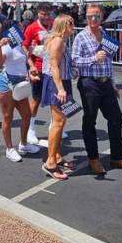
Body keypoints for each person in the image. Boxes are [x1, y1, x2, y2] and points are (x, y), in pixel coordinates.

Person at [72, 3, 122, 175]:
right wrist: (93, 58)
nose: (92, 20)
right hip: (89, 82)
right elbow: (74, 60)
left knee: (116, 118)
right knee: (90, 120)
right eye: (89, 17)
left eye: (96, 16)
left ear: (101, 17)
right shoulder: (80, 37)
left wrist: (112, 83)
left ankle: (117, 157)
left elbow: (109, 63)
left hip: (105, 83)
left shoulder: (105, 35)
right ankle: (93, 158)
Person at [41, 14, 76, 180]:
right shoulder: (58, 41)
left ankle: (57, 156)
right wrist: (61, 88)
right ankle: (50, 163)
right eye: (71, 24)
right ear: (63, 25)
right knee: (58, 122)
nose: (73, 26)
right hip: (57, 84)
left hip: (61, 82)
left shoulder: (59, 40)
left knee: (61, 121)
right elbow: (54, 66)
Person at [0, 35, 39, 162]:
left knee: (26, 114)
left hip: (20, 83)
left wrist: (31, 57)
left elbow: (26, 59)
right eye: (18, 28)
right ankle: (9, 149)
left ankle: (23, 144)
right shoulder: (6, 46)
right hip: (6, 83)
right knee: (8, 116)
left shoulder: (21, 44)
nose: (21, 32)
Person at [23, 3, 54, 145]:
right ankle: (30, 129)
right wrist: (31, 64)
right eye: (43, 14)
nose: (46, 17)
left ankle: (54, 125)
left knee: (55, 99)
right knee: (36, 98)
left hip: (54, 68)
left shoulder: (55, 24)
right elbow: (25, 46)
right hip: (39, 68)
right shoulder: (31, 28)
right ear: (38, 14)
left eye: (48, 14)